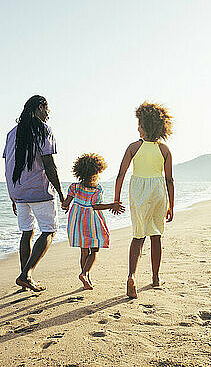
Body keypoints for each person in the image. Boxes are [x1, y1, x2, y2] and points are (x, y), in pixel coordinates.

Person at [3, 95, 65, 292]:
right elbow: (49, 164)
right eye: (47, 110)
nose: (48, 115)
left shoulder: (12, 133)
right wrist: (61, 194)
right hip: (39, 190)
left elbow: (7, 166)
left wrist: (12, 194)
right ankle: (25, 275)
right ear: (40, 107)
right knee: (49, 230)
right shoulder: (43, 129)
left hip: (18, 190)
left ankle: (25, 279)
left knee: (27, 232)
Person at [113, 102, 174, 299]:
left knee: (138, 235)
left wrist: (116, 199)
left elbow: (120, 175)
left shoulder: (133, 147)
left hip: (138, 190)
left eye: (139, 124)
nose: (137, 128)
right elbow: (169, 180)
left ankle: (131, 276)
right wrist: (171, 204)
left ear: (146, 126)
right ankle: (155, 278)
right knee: (156, 235)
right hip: (158, 191)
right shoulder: (164, 150)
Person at [61, 154, 124, 290]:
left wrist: (64, 204)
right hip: (91, 221)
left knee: (84, 251)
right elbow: (95, 206)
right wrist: (112, 205)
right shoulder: (97, 189)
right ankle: (85, 274)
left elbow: (66, 203)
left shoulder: (74, 187)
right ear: (97, 172)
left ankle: (86, 279)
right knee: (94, 250)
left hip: (77, 220)